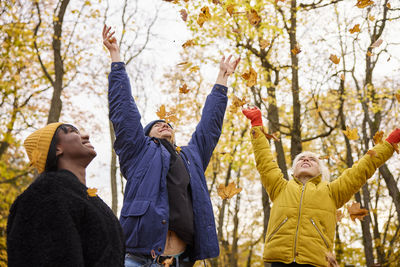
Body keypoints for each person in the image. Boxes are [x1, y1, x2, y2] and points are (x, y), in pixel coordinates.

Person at [103, 25, 240, 267]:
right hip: (137, 259)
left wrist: (222, 79)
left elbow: (209, 127)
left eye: (168, 124)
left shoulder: (190, 157)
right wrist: (116, 58)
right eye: (157, 124)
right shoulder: (137, 152)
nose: (165, 124)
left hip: (181, 261)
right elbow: (124, 113)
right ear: (145, 136)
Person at [242, 107, 400, 267]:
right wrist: (256, 123)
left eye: (312, 159)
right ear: (294, 169)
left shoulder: (332, 192)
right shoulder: (280, 187)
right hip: (279, 261)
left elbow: (362, 168)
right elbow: (264, 161)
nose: (306, 160)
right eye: (301, 159)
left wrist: (389, 143)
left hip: (316, 262)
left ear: (320, 170)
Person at [7, 123, 125, 267]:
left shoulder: (90, 200)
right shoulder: (43, 196)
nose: (86, 136)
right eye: (72, 131)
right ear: (57, 148)